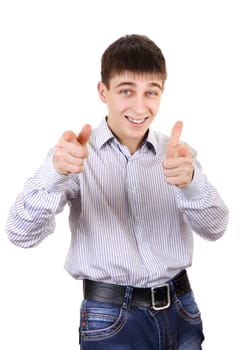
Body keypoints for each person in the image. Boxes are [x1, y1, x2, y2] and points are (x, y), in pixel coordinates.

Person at [6, 34, 229, 350]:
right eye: (127, 91)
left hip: (182, 311)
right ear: (103, 92)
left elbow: (216, 229)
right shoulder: (74, 155)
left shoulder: (177, 155)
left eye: (151, 92)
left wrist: (191, 181)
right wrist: (54, 173)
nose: (140, 107)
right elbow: (20, 234)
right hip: (111, 319)